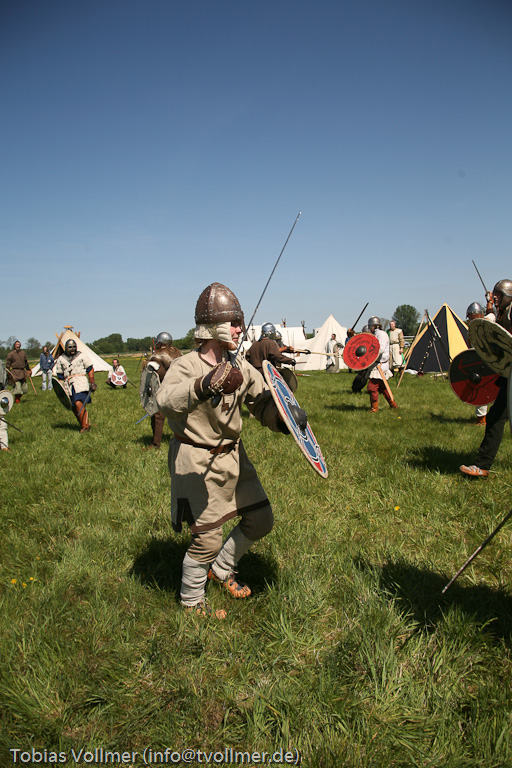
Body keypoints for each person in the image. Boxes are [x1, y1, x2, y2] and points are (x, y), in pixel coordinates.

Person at [156, 283, 292, 617]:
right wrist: (204, 385)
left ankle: (222, 568)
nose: (239, 330)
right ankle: (191, 600)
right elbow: (164, 401)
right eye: (234, 323)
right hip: (196, 460)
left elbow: (262, 403)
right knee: (207, 540)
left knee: (261, 519)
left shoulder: (240, 365)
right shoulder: (186, 365)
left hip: (234, 457)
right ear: (214, 326)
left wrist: (284, 413)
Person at [460, 280, 511, 478]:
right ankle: (482, 464)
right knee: (496, 417)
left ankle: (482, 464)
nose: (494, 297)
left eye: (499, 294)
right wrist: (491, 307)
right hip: (509, 374)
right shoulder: (504, 313)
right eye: (494, 294)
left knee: (496, 417)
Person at [144, 333, 182, 449]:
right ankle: (183, 437)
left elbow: (157, 375)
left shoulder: (158, 356)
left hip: (163, 389)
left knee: (157, 416)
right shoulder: (178, 353)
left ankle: (155, 443)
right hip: (179, 387)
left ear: (160, 343)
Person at [55, 338, 97, 432]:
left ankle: (85, 427)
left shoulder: (81, 356)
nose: (72, 349)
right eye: (70, 347)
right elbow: (60, 375)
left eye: (74, 346)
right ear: (66, 348)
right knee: (73, 406)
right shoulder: (61, 359)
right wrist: (61, 388)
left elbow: (90, 368)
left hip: (80, 382)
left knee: (78, 403)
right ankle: (83, 424)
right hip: (68, 385)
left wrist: (92, 382)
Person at [465, 301, 496, 425]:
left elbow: (491, 314)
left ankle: (495, 415)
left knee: (491, 388)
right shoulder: (471, 331)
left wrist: (489, 302)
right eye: (470, 318)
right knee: (481, 388)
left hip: (493, 359)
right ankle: (481, 418)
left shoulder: (487, 322)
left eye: (474, 317)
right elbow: (471, 348)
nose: (472, 320)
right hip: (481, 361)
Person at [366, 316, 398, 412]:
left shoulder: (381, 334)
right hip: (376, 364)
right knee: (382, 388)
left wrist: (369, 353)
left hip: (380, 365)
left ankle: (374, 408)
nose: (370, 329)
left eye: (370, 327)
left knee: (372, 387)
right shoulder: (376, 334)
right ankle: (393, 405)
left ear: (374, 326)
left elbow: (380, 349)